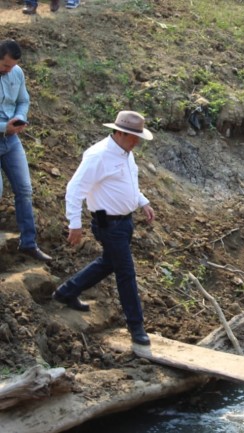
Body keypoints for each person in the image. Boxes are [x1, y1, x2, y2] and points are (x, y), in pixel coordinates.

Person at [52, 111, 155, 346]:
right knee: (126, 272)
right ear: (119, 132)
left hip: (125, 222)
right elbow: (74, 189)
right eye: (132, 136)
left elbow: (128, 182)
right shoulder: (98, 156)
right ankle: (136, 326)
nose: (136, 142)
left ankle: (66, 292)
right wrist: (74, 224)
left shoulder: (126, 153)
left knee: (109, 262)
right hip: (108, 224)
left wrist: (142, 201)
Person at [0, 39, 52, 262]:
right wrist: (4, 127)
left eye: (12, 66)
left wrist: (20, 118)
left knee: (25, 189)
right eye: (5, 66)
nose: (9, 70)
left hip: (11, 141)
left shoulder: (17, 73)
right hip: (4, 131)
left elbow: (23, 100)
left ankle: (28, 243)